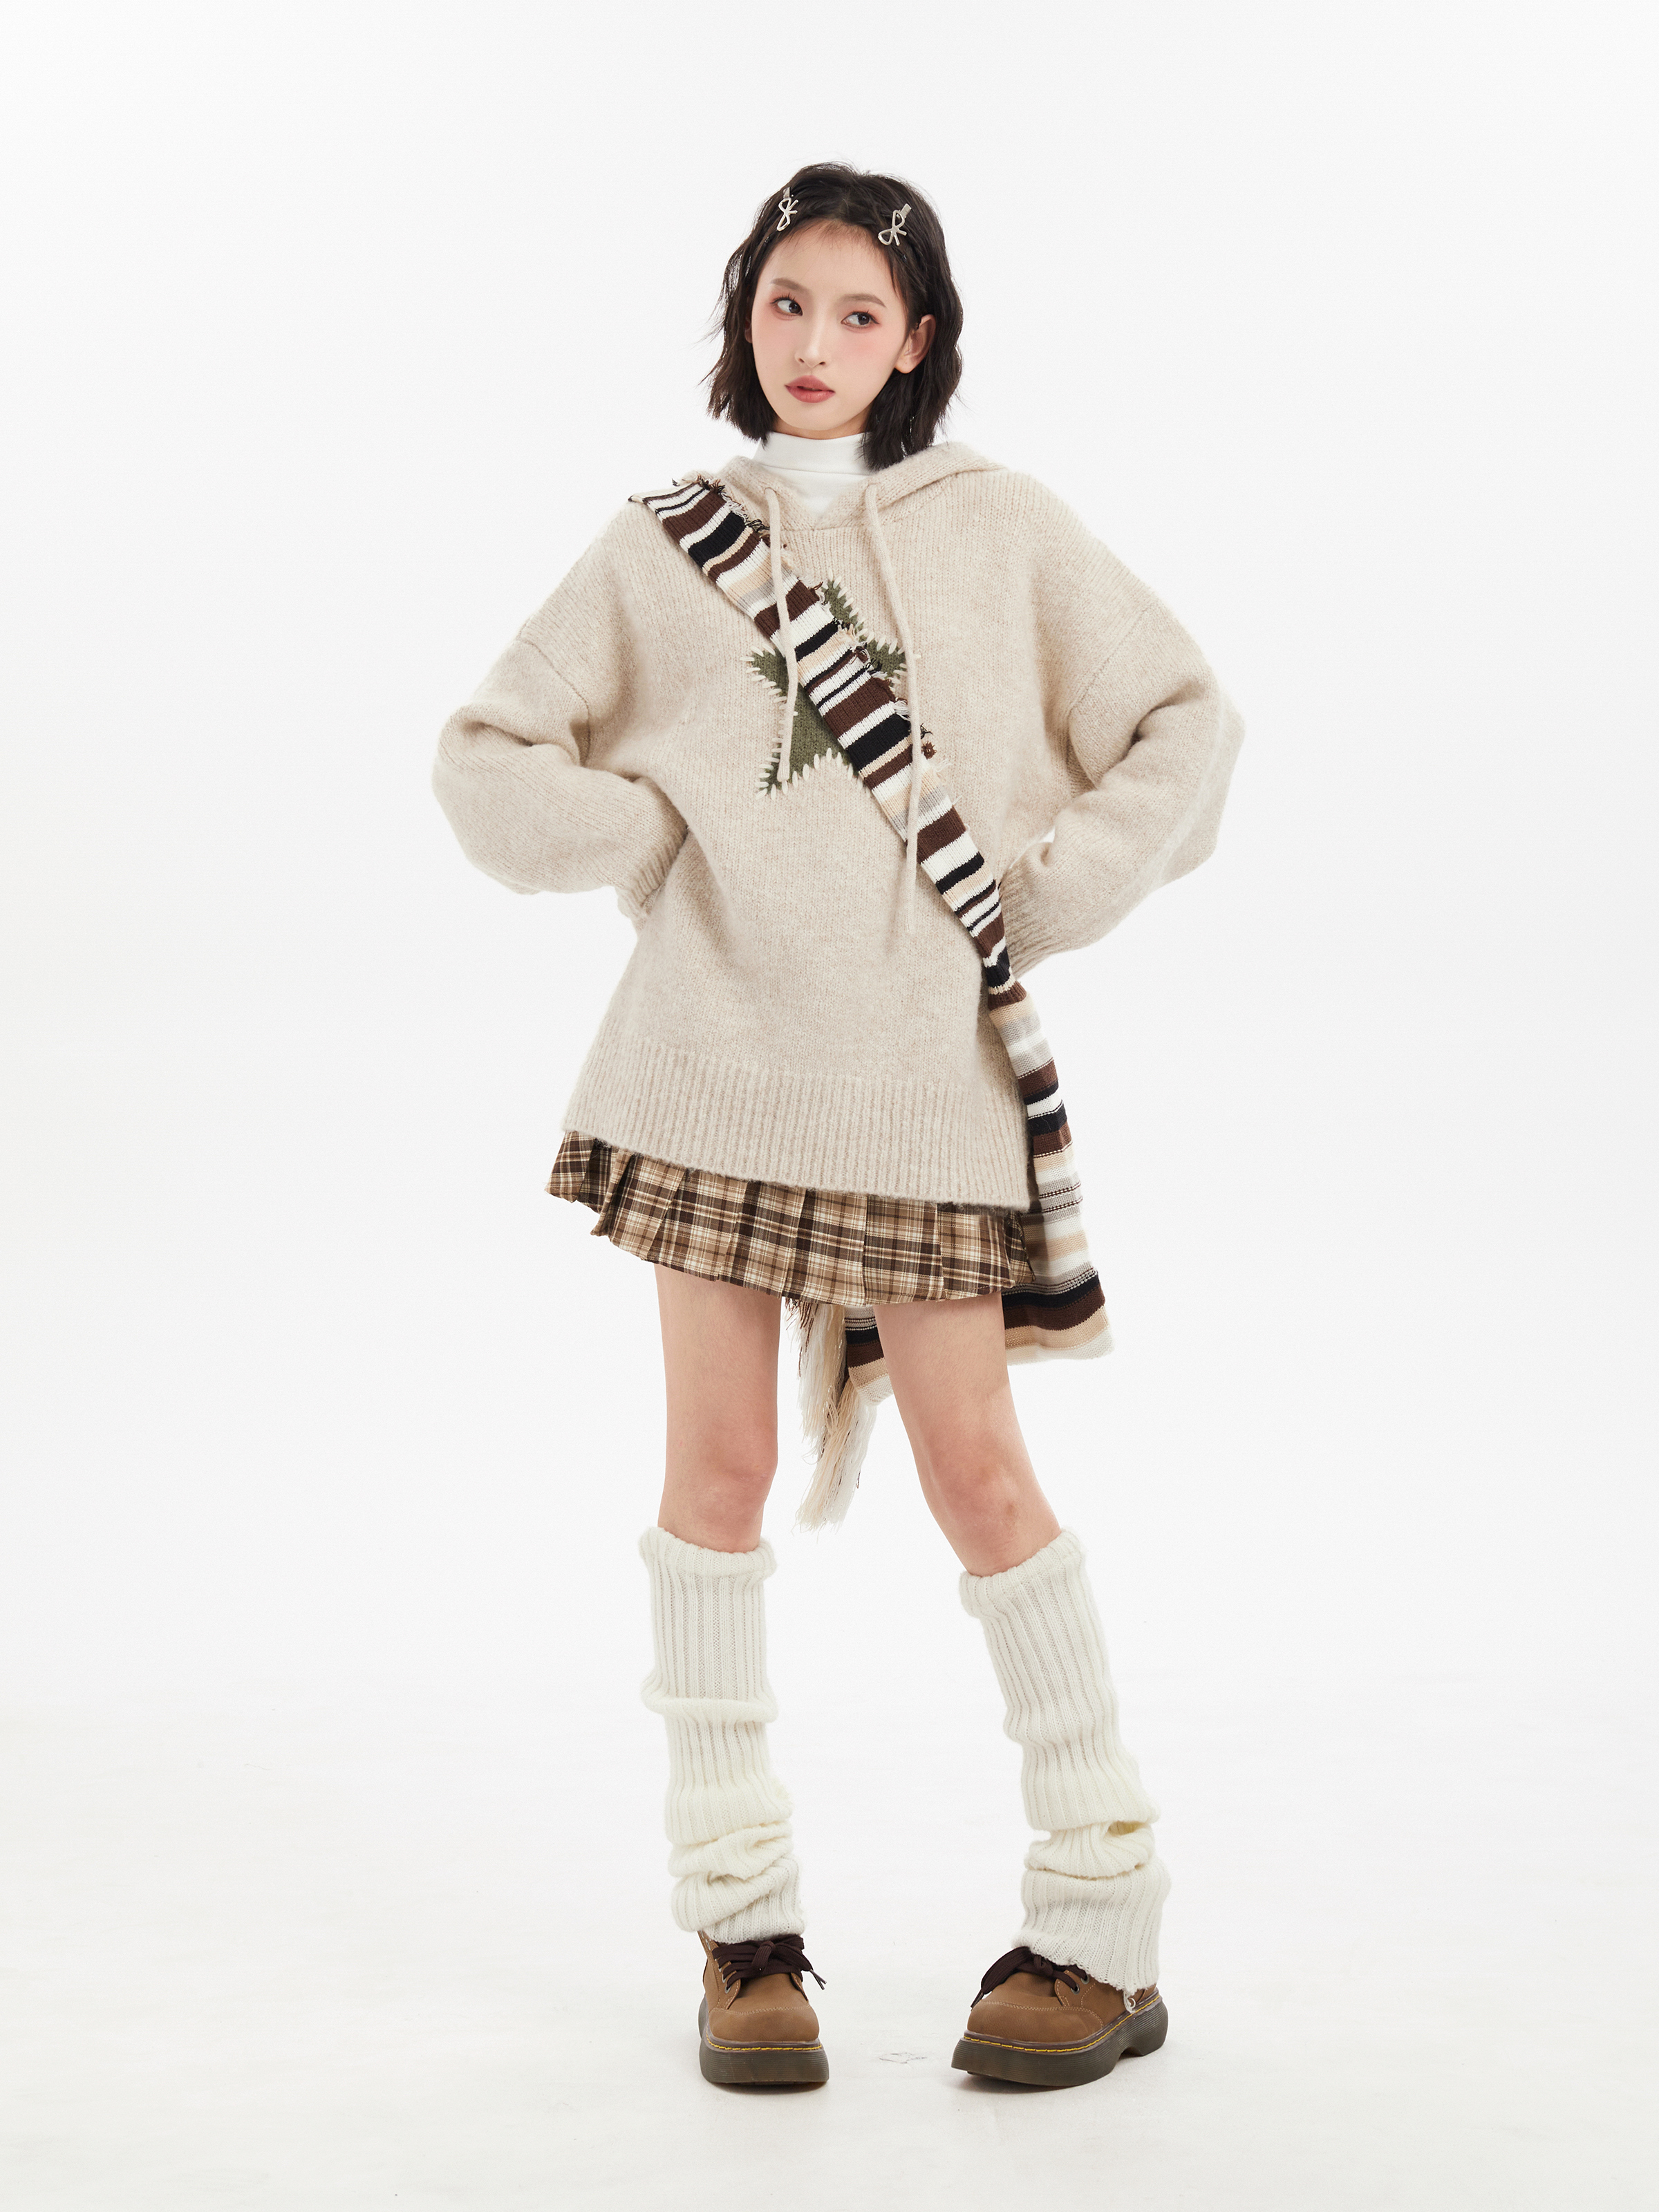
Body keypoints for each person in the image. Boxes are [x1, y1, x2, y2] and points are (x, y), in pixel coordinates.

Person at [431, 162, 1244, 2091]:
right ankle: (744, 1936)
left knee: (981, 1475)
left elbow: (1184, 722)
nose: (814, 343)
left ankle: (1101, 1914)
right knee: (714, 1481)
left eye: (857, 313)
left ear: (917, 340)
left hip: (917, 1087)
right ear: (748, 317)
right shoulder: (664, 547)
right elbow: (485, 758)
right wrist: (661, 834)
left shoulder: (1003, 529)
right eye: (786, 303)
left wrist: (1037, 894)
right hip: (706, 1074)